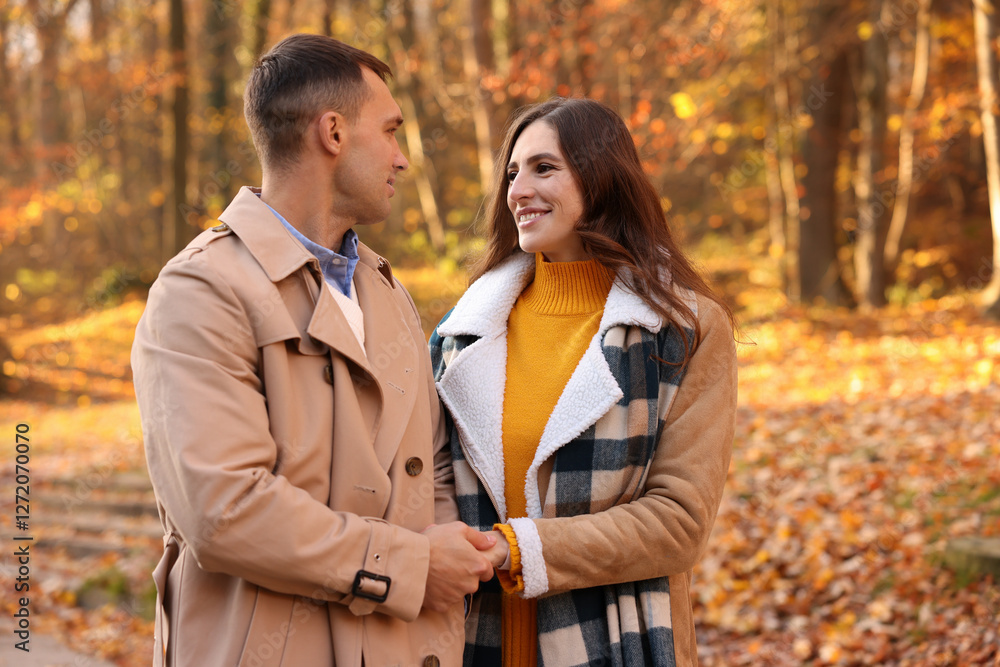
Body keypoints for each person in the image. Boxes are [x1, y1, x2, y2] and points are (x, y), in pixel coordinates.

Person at [131, 34, 502, 667]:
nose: (401, 158)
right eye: (389, 131)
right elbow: (224, 511)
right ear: (332, 132)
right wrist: (408, 567)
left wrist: (448, 556)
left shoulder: (388, 294)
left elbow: (431, 468)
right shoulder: (201, 289)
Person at [429, 98, 739, 667]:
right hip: (470, 644)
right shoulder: (461, 336)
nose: (518, 189)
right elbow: (431, 488)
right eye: (513, 173)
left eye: (544, 168)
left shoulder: (682, 331)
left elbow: (678, 523)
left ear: (602, 177)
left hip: (616, 644)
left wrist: (518, 548)